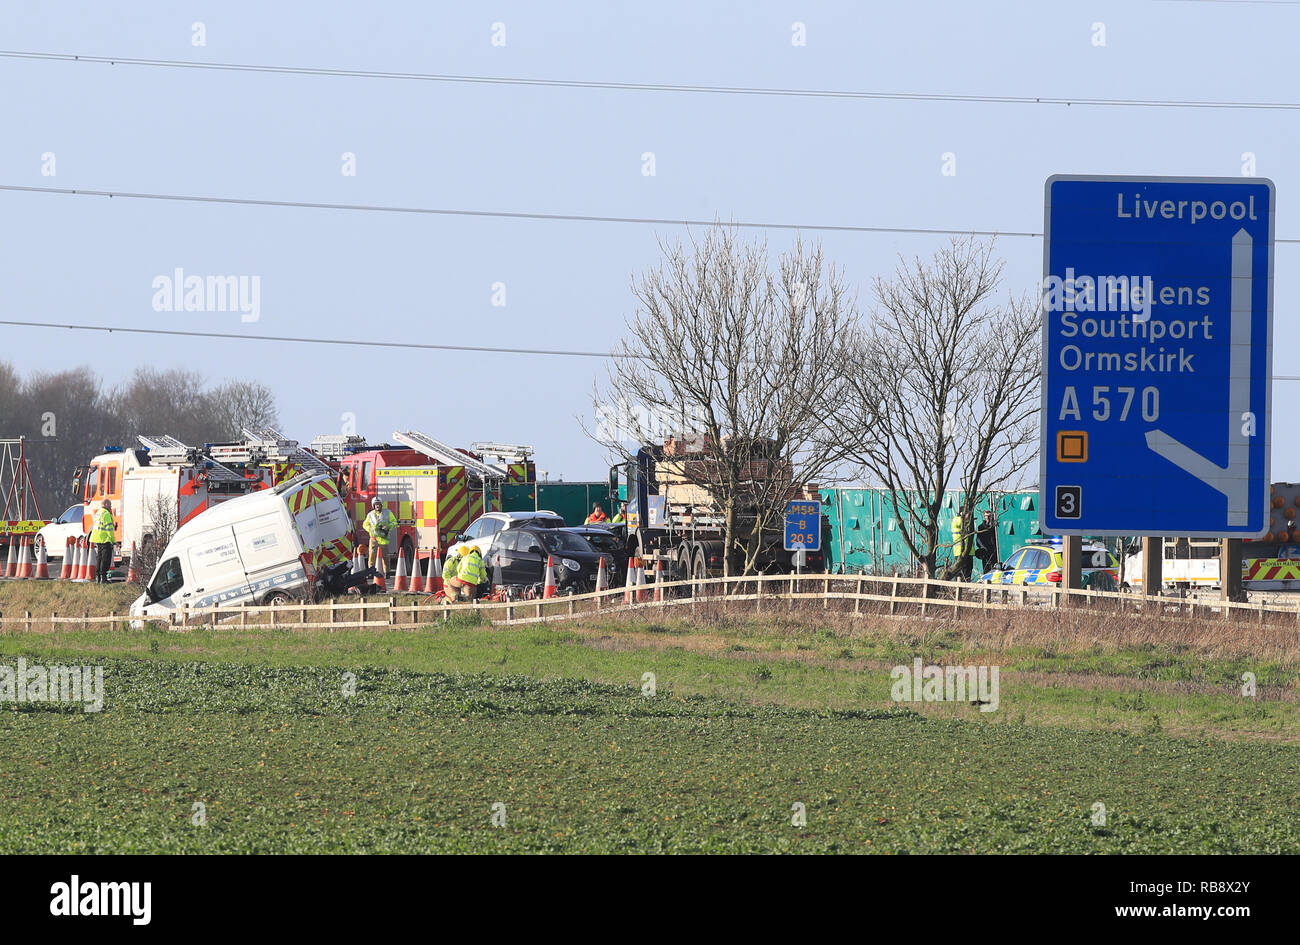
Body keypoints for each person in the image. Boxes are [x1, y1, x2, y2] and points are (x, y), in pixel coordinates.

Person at [363, 498, 397, 577]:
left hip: (384, 539)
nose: (377, 506)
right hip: (374, 539)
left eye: (378, 504)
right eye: (376, 505)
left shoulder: (388, 513)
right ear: (373, 506)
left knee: (385, 557)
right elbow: (365, 524)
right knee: (372, 556)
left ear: (381, 505)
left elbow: (394, 522)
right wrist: (370, 530)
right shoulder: (370, 514)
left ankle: (387, 572)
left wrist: (388, 526)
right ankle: (371, 572)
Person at [91, 499, 115, 583]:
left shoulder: (99, 512)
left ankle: (98, 577)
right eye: (110, 505)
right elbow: (109, 529)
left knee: (99, 558)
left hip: (98, 538)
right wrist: (112, 540)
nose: (111, 507)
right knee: (105, 559)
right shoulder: (106, 514)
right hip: (105, 539)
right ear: (106, 504)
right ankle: (103, 578)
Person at [975, 510, 999, 577]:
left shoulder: (994, 526)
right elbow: (978, 539)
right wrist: (983, 547)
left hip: (993, 551)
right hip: (985, 551)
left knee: (994, 568)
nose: (987, 517)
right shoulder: (981, 527)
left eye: (989, 516)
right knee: (986, 568)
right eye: (986, 516)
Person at [951, 510, 972, 581]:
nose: (968, 515)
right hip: (960, 551)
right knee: (961, 572)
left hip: (969, 552)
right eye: (967, 513)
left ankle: (966, 584)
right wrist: (964, 517)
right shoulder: (956, 520)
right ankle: (960, 585)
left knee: (968, 571)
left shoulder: (968, 523)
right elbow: (959, 522)